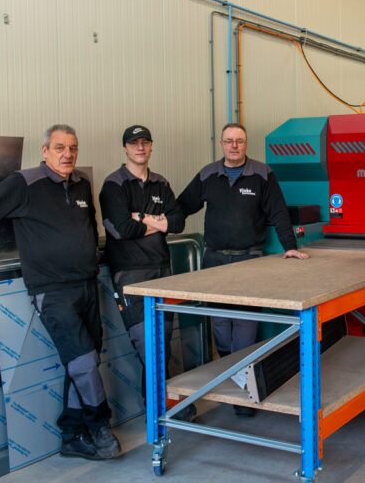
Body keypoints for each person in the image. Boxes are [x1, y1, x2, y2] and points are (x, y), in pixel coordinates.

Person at [0, 125, 121, 460]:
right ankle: (101, 428)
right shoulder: (24, 184)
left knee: (84, 363)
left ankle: (72, 435)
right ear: (44, 151)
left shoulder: (82, 185)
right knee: (84, 362)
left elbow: (89, 229)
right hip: (52, 292)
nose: (67, 154)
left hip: (87, 286)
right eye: (59, 147)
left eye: (72, 148)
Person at [176, 122, 308, 414]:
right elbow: (182, 206)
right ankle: (233, 382)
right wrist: (159, 224)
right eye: (229, 141)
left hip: (250, 261)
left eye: (240, 141)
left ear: (246, 145)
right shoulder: (208, 174)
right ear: (221, 144)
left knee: (245, 330)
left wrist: (291, 247)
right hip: (215, 262)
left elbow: (278, 212)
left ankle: (246, 392)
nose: (234, 145)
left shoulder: (262, 174)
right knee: (221, 326)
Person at [98, 125, 195, 420]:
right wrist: (159, 221)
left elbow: (178, 222)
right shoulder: (113, 185)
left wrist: (141, 217)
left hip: (163, 271)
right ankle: (160, 404)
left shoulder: (160, 183)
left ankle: (155, 401)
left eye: (145, 142)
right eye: (134, 143)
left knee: (161, 342)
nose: (140, 148)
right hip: (130, 276)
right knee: (147, 342)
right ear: (125, 148)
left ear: (151, 147)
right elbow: (122, 230)